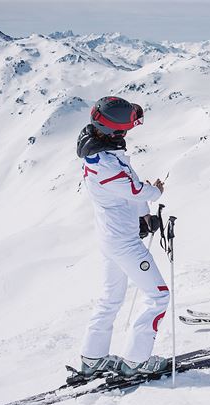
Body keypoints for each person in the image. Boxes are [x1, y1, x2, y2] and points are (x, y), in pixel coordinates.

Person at [76, 96, 170, 377]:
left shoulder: (101, 153)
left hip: (111, 236)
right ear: (115, 131)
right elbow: (134, 189)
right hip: (123, 242)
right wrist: (155, 193)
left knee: (110, 298)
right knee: (158, 297)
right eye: (127, 128)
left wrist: (143, 214)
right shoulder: (105, 165)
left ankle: (93, 359)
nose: (128, 133)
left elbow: (127, 188)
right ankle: (136, 362)